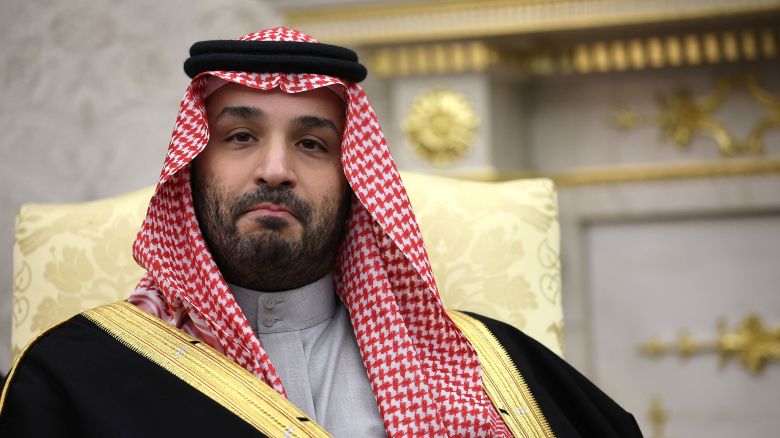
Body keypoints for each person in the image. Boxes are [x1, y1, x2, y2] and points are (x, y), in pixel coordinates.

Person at [0, 27, 642, 437]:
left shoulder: (495, 368)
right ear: (192, 166)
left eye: (312, 143)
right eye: (241, 137)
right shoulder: (75, 379)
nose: (275, 169)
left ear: (355, 180)